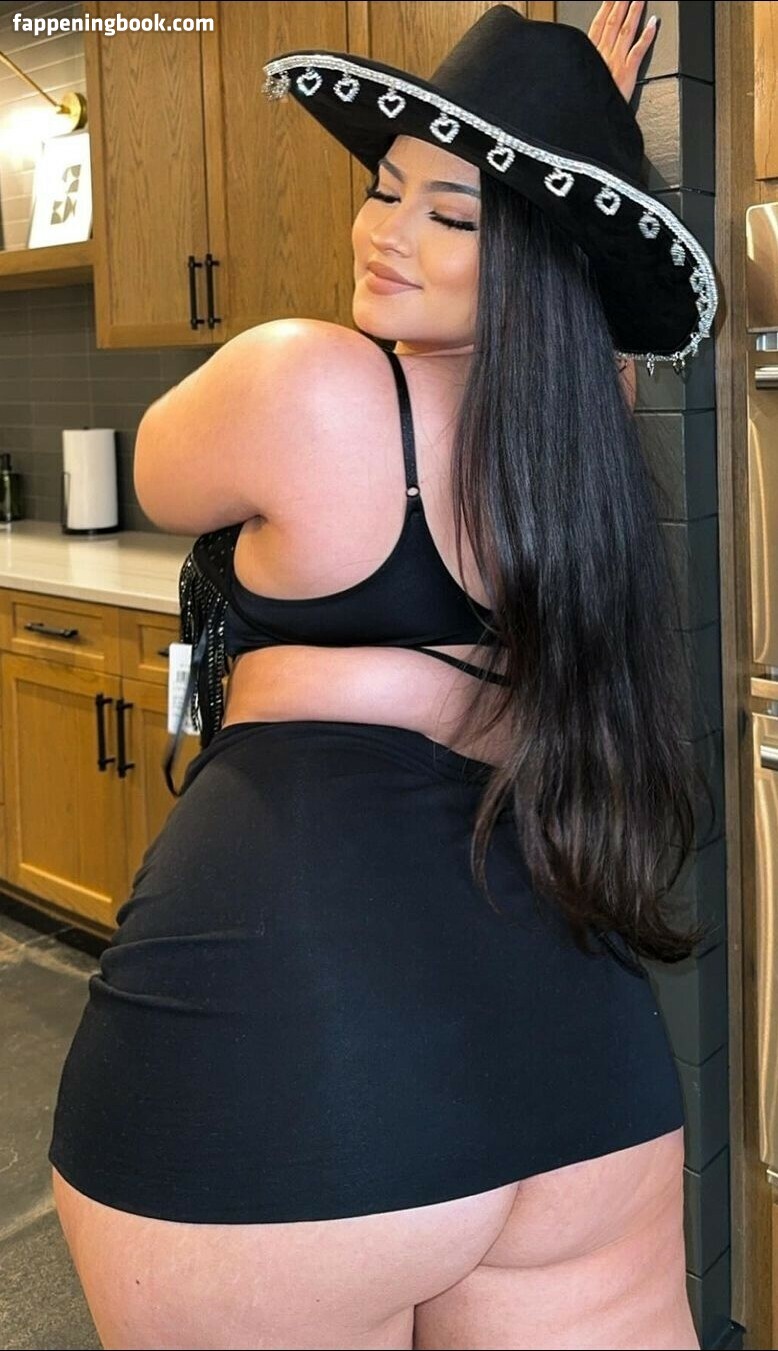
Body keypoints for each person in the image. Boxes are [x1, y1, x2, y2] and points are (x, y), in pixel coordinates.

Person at [48, 5, 719, 1348]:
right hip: (564, 1034)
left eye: (452, 214)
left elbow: (162, 475)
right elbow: (562, 334)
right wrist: (566, 163)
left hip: (289, 1026)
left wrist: (549, 174)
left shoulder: (299, 379)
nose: (384, 232)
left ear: (532, 256)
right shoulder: (588, 434)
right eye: (384, 187)